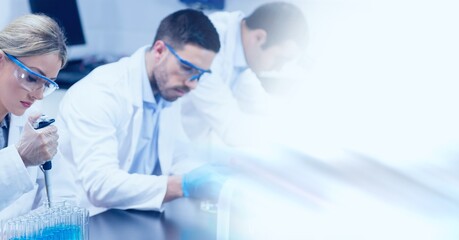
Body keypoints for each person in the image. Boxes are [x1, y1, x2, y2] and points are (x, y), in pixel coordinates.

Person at [51, 9, 223, 216]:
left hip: (129, 215)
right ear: (160, 51)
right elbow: (101, 186)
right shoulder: (99, 93)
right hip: (87, 219)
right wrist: (182, 186)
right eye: (187, 68)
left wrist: (210, 178)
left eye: (200, 74)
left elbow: (177, 156)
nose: (193, 84)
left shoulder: (168, 89)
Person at [181, 2, 307, 147]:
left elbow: (259, 105)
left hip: (190, 148)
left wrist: (295, 126)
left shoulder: (241, 54)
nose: (278, 69)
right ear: (259, 37)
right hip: (167, 152)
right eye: (280, 59)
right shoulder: (206, 43)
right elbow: (230, 125)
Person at [0, 14, 67, 220]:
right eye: (31, 78)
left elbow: (64, 194)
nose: (38, 95)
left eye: (47, 84)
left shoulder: (30, 118)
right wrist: (21, 157)